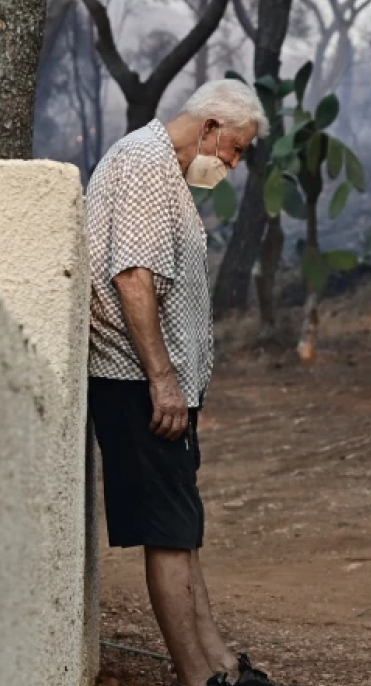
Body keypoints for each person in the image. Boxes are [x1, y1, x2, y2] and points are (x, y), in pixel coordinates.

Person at [85, 80, 274, 686]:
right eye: (235, 150)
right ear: (212, 126)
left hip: (161, 384)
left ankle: (219, 663)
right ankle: (197, 678)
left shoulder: (168, 170)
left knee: (181, 528)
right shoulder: (144, 163)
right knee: (167, 534)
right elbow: (133, 277)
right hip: (137, 380)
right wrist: (163, 380)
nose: (234, 164)